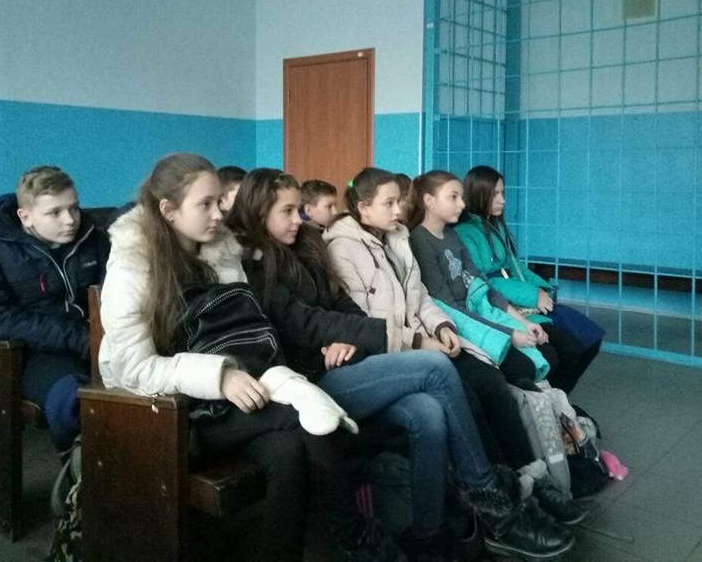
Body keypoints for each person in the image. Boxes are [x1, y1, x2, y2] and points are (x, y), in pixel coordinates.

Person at [226, 168, 575, 562]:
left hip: (349, 361)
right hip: (310, 381)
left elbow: (342, 306)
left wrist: (350, 338)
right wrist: (388, 338)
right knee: (435, 367)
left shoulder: (306, 246)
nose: (299, 219)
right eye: (287, 211)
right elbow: (303, 323)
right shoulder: (255, 266)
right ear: (258, 214)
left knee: (428, 413)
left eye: (299, 210)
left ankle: (428, 537)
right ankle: (494, 506)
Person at [98, 153, 398, 562]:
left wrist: (252, 372)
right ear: (168, 210)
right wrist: (219, 376)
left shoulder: (223, 252)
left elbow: (245, 331)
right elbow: (134, 368)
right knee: (308, 419)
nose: (218, 214)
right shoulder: (134, 264)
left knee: (287, 454)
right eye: (204, 204)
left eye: (218, 201)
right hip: (176, 410)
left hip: (237, 397)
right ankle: (354, 537)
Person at [326, 168, 582, 525]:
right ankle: (501, 489)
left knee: (491, 382)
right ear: (363, 208)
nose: (399, 209)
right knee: (469, 393)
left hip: (427, 338)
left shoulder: (397, 238)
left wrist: (442, 326)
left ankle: (530, 475)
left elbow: (422, 297)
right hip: (394, 351)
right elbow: (367, 323)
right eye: (390, 203)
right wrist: (423, 340)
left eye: (399, 201)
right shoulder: (343, 249)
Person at [0, 166, 110, 451]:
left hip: (99, 341)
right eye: (55, 212)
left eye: (74, 208)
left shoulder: (94, 238)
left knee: (151, 386)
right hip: (34, 350)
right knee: (73, 399)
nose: (70, 220)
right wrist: (79, 338)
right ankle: (76, 464)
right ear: (25, 216)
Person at [407, 171, 585, 396]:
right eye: (453, 197)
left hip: (481, 313)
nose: (462, 204)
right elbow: (448, 307)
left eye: (462, 197)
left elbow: (483, 285)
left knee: (548, 354)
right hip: (460, 324)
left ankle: (550, 409)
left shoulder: (452, 235)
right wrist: (509, 333)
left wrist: (522, 322)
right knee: (525, 365)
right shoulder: (421, 240)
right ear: (429, 201)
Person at [458, 166, 604, 392]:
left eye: (502, 193)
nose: (503, 200)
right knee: (566, 350)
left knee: (591, 339)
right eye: (495, 194)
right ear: (478, 194)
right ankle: (551, 401)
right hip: (506, 307)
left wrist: (542, 289)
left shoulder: (494, 226)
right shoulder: (465, 233)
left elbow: (515, 267)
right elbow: (483, 282)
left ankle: (558, 400)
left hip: (524, 303)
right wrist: (532, 294)